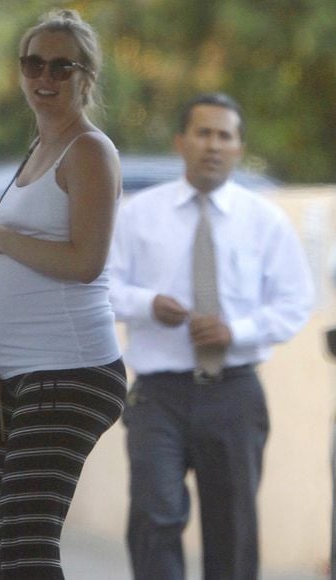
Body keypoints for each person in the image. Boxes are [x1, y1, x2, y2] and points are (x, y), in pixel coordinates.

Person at [108, 92, 314, 579]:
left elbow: (294, 302)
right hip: (159, 397)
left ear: (240, 148)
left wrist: (235, 331)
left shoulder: (264, 221)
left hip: (235, 393)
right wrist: (147, 304)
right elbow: (102, 287)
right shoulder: (139, 214)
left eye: (225, 135)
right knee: (154, 516)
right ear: (181, 142)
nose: (213, 145)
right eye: (203, 133)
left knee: (233, 529)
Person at [0, 9, 126, 579]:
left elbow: (85, 261)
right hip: (26, 376)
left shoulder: (89, 151)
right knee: (3, 546)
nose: (44, 76)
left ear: (87, 77)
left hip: (69, 371)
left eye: (61, 65)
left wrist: (2, 238)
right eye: (33, 62)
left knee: (27, 544)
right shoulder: (38, 146)